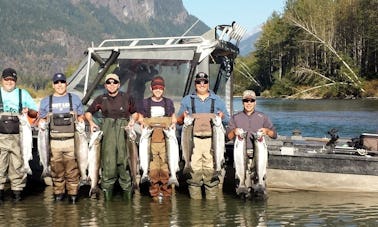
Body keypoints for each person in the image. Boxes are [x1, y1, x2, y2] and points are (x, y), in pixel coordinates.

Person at [85, 73, 138, 201]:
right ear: (105, 85)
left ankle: (128, 199)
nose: (112, 85)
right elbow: (88, 113)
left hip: (123, 134)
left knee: (124, 164)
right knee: (108, 166)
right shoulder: (100, 99)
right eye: (109, 82)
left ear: (119, 84)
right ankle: (107, 200)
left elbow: (135, 113)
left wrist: (132, 121)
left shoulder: (127, 98)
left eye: (114, 82)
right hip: (107, 134)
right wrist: (91, 123)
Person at [177, 72, 230, 200]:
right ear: (195, 84)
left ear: (208, 83)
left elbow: (228, 120)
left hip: (212, 142)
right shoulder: (187, 100)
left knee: (211, 173)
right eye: (199, 82)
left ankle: (211, 206)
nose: (202, 84)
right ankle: (196, 206)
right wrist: (183, 117)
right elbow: (179, 122)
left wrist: (221, 117)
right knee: (193, 174)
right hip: (192, 141)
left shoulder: (217, 100)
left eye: (204, 82)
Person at [39, 72, 84, 204]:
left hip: (72, 141)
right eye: (57, 83)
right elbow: (41, 120)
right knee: (56, 171)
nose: (60, 85)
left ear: (66, 84)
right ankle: (58, 196)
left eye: (62, 82)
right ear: (53, 85)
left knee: (72, 172)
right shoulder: (46, 101)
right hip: (53, 143)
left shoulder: (75, 99)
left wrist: (79, 119)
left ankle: (73, 197)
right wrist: (43, 121)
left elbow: (81, 118)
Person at [226, 90, 277, 197]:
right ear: (242, 102)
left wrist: (267, 131)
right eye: (246, 100)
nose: (249, 103)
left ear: (255, 102)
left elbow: (274, 135)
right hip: (241, 156)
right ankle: (241, 192)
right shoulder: (235, 117)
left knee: (259, 192)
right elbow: (227, 137)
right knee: (242, 194)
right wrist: (234, 132)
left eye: (251, 100)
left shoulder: (263, 117)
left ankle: (259, 198)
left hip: (258, 155)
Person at [0, 68, 38, 202]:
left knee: (18, 167)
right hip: (1, 139)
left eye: (12, 79)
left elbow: (35, 113)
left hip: (19, 137)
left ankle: (17, 196)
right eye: (7, 79)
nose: (9, 82)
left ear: (15, 81)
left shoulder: (23, 94)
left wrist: (29, 112)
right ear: (2, 80)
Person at [138, 76, 176, 202]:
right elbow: (140, 118)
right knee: (153, 169)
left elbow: (173, 118)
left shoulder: (168, 102)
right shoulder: (145, 103)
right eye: (155, 88)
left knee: (165, 168)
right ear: (151, 88)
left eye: (160, 88)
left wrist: (174, 122)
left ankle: (166, 195)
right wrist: (140, 121)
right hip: (150, 142)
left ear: (164, 89)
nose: (158, 90)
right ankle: (154, 194)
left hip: (166, 142)